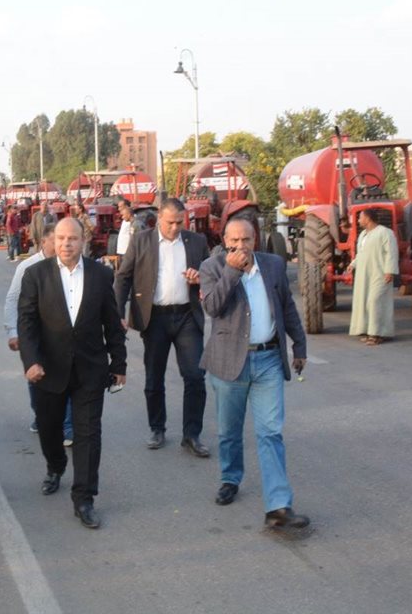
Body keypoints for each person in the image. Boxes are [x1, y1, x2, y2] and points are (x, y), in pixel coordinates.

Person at [198, 218, 310, 533]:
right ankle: (230, 478)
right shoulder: (211, 267)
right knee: (229, 430)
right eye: (234, 241)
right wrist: (232, 271)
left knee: (270, 432)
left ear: (255, 240)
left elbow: (287, 307)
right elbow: (213, 307)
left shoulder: (273, 265)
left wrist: (299, 345)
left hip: (268, 360)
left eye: (246, 240)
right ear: (225, 241)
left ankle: (278, 506)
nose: (240, 246)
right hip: (229, 362)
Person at [18, 219, 126, 529]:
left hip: (90, 370)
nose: (66, 244)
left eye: (73, 239)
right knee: (50, 429)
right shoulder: (35, 275)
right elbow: (27, 323)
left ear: (83, 240)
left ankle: (84, 498)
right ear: (53, 241)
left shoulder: (101, 275)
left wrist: (119, 364)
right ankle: (55, 465)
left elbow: (112, 322)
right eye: (61, 238)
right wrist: (31, 361)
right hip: (47, 371)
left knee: (88, 434)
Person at [114, 197, 211, 456]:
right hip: (154, 317)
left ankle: (192, 435)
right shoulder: (141, 241)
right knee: (154, 376)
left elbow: (211, 274)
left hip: (187, 316)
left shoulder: (196, 241)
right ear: (159, 217)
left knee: (195, 376)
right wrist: (118, 313)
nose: (175, 227)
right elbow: (123, 278)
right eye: (170, 223)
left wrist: (200, 278)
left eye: (180, 222)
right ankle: (157, 428)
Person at [5, 223, 71, 442]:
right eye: (56, 240)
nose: (61, 244)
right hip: (35, 334)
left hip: (62, 335)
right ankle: (41, 414)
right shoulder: (28, 267)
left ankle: (68, 425)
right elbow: (13, 298)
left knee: (67, 375)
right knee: (37, 377)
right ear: (44, 242)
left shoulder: (69, 264)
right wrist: (12, 330)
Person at [349, 209, 398, 346]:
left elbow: (391, 253)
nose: (358, 220)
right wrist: (353, 264)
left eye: (360, 218)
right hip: (364, 274)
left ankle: (377, 334)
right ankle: (370, 331)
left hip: (380, 273)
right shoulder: (363, 235)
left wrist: (389, 271)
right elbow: (361, 253)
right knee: (365, 301)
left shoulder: (385, 233)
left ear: (368, 218)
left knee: (375, 301)